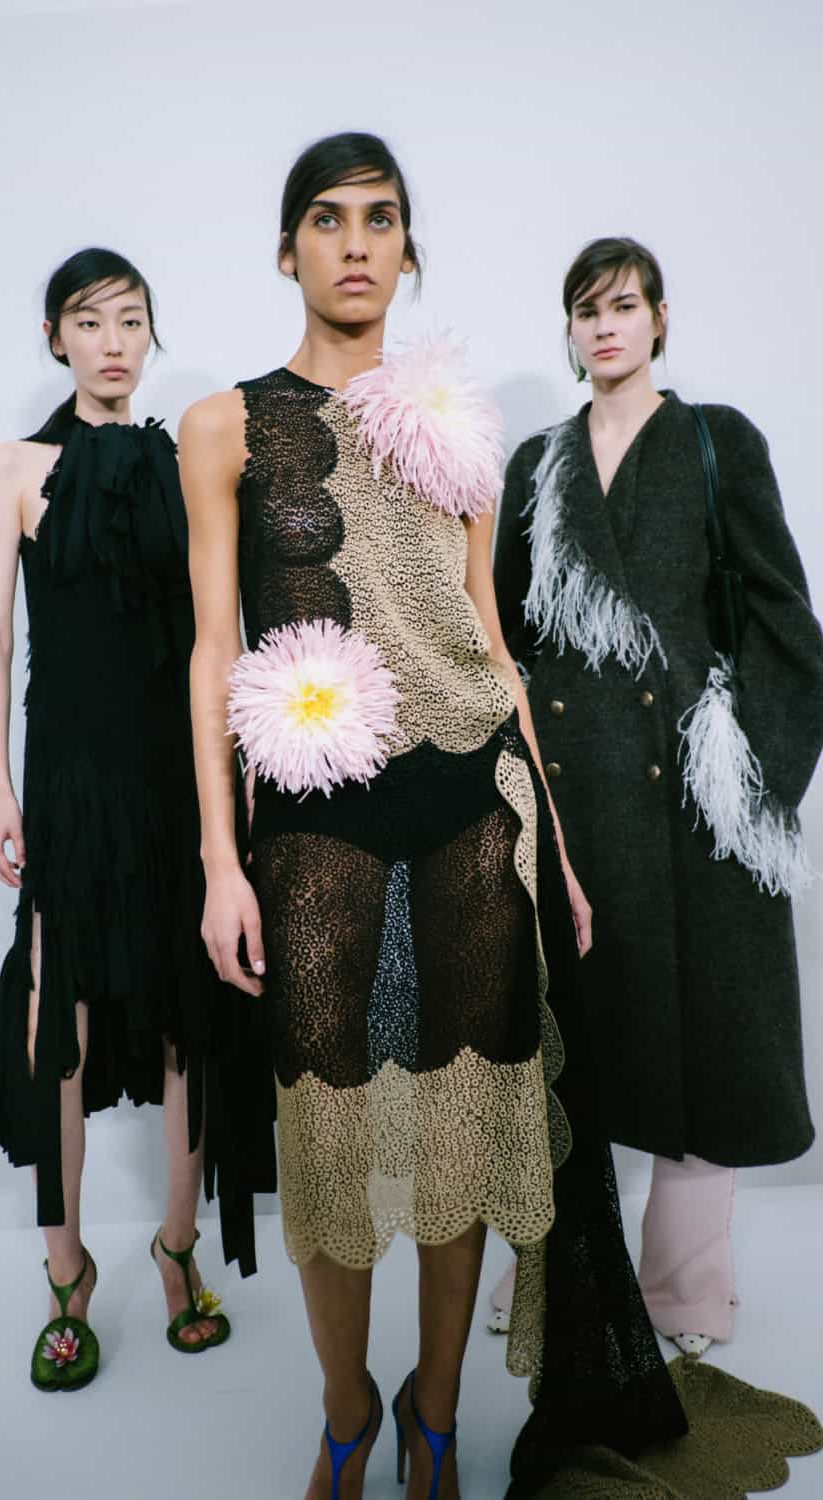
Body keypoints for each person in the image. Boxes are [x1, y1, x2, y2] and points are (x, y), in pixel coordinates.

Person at [177, 133, 718, 1500]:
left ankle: (434, 1416)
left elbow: (490, 635)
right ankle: (345, 1409)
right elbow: (209, 649)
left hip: (475, 808)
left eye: (381, 219)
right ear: (286, 249)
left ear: (408, 250)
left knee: (463, 1135)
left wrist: (562, 855)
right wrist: (219, 861)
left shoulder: (459, 424)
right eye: (327, 218)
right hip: (315, 824)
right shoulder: (224, 426)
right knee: (326, 1142)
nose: (355, 243)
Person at [490, 236, 823, 1359]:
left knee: (703, 1037)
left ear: (659, 319)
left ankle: (684, 1292)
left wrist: (749, 776)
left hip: (694, 799)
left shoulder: (719, 439)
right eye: (585, 309)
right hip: (572, 793)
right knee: (561, 1043)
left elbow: (784, 621)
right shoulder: (537, 464)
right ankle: (558, 1278)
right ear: (570, 329)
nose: (604, 326)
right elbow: (505, 633)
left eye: (623, 305)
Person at [0, 247, 248, 1389]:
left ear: (149, 335)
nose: (113, 342)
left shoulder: (184, 462)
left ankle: (178, 1248)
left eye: (131, 320)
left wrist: (233, 787)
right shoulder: (14, 467)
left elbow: (221, 628)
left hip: (176, 775)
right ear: (56, 337)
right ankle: (66, 1273)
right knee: (62, 1027)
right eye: (89, 321)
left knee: (187, 1011)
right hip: (69, 782)